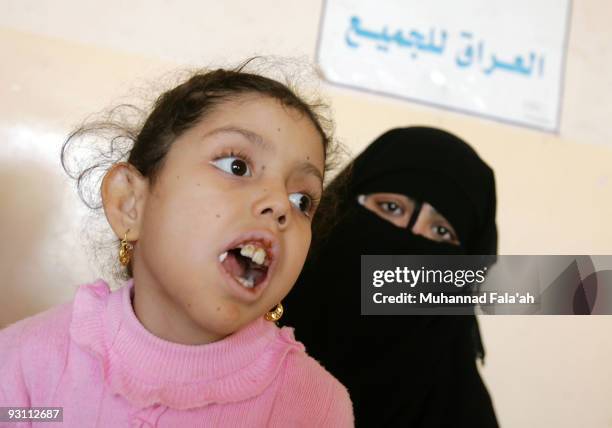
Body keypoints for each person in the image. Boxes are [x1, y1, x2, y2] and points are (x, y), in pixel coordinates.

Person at [0, 62, 354, 427]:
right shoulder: (27, 363)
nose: (280, 205)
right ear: (130, 203)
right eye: (237, 166)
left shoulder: (316, 408)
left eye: (302, 202)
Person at [282, 126, 499, 427]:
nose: (409, 242)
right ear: (341, 203)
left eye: (440, 231)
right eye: (391, 207)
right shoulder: (246, 338)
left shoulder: (460, 411)